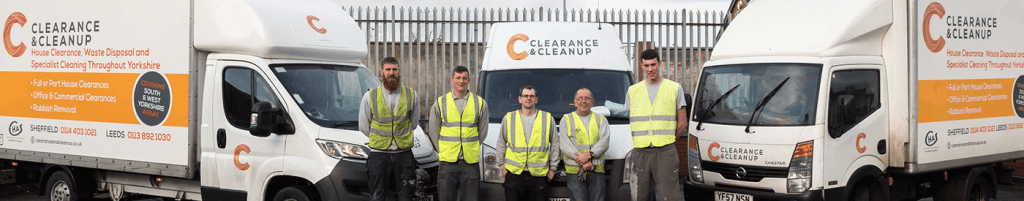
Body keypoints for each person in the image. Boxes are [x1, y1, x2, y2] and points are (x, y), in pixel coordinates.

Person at [626, 49, 687, 201]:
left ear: (660, 64)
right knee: (639, 197)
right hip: (640, 153)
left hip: (665, 152)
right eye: (646, 65)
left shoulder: (674, 88)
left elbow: (682, 122)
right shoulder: (632, 91)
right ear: (641, 65)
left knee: (670, 197)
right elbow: (631, 119)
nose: (650, 69)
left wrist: (668, 139)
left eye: (653, 64)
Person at [359, 56, 420, 201]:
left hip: (404, 154)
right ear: (381, 72)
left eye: (394, 69)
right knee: (377, 197)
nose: (391, 73)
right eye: (388, 70)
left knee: (406, 196)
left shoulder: (412, 95)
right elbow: (363, 126)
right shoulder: (370, 96)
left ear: (399, 71)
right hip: (379, 155)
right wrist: (381, 139)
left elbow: (414, 123)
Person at [429, 66, 489, 201]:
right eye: (458, 78)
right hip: (447, 162)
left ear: (469, 80)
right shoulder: (440, 103)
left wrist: (471, 147)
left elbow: (483, 131)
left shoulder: (480, 103)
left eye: (464, 78)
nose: (461, 81)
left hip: (470, 162)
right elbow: (433, 131)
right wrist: (444, 150)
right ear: (452, 80)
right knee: (446, 198)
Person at [496, 86, 559, 201]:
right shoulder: (509, 118)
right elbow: (501, 143)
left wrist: (553, 169)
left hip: (539, 175)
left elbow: (555, 145)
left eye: (532, 96)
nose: (528, 98)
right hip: (514, 174)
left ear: (536, 99)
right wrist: (502, 168)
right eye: (525, 96)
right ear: (520, 99)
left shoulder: (547, 118)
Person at [558, 88, 610, 201]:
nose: (583, 101)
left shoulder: (601, 119)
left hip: (596, 170)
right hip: (574, 172)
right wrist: (583, 161)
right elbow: (564, 144)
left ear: (592, 101)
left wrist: (589, 155)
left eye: (587, 98)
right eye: (580, 98)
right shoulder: (566, 119)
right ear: (575, 102)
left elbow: (604, 142)